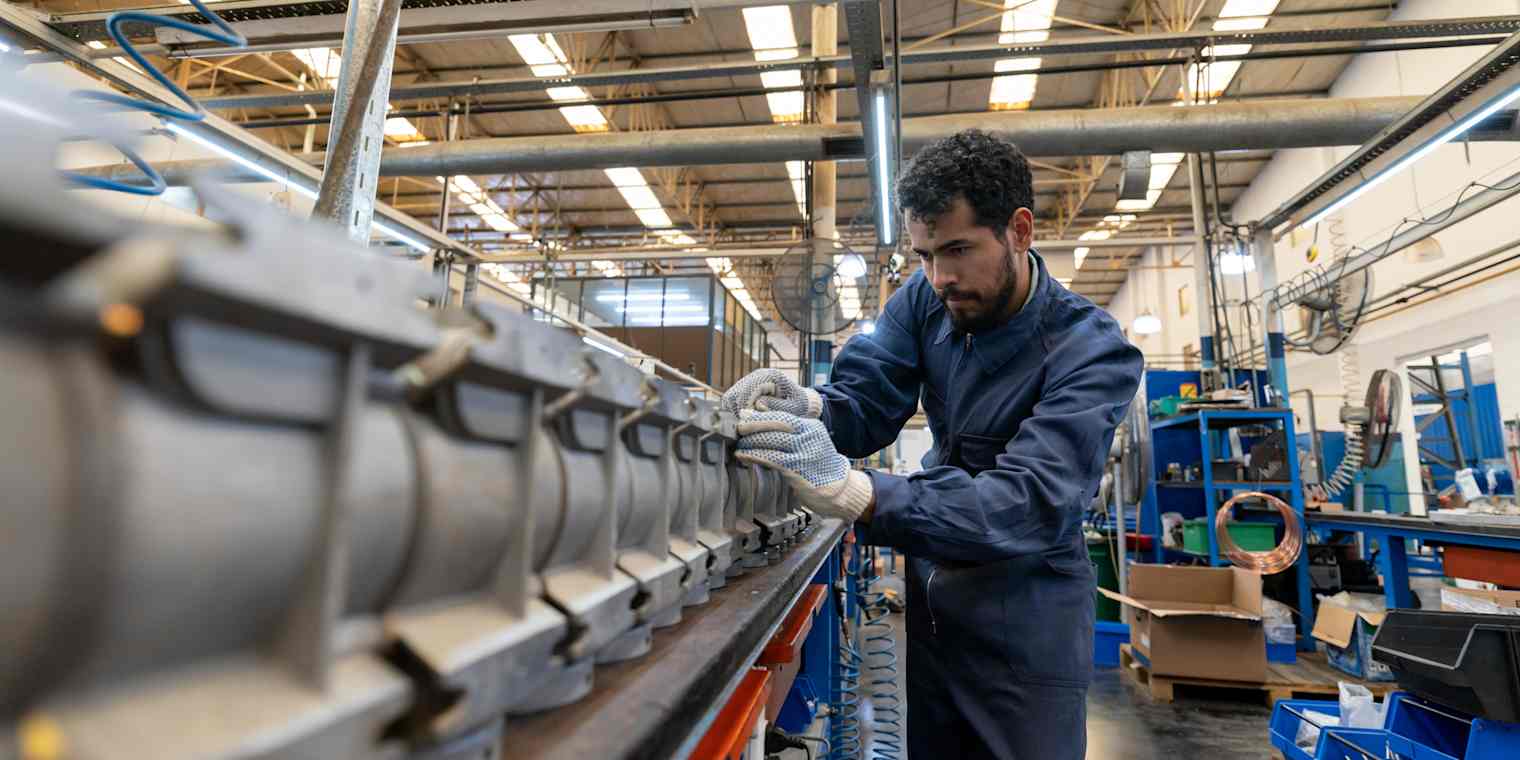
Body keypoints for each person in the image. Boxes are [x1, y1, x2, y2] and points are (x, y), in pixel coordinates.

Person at [723, 129, 1144, 759]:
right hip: (936, 609)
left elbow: (1028, 501)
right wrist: (809, 404)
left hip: (1027, 627)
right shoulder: (928, 298)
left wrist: (856, 493)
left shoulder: (1092, 349)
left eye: (957, 250)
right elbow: (867, 405)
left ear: (1020, 231)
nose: (940, 276)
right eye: (923, 254)